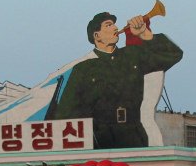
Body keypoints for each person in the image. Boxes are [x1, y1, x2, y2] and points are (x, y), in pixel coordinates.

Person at [46, 11, 183, 149]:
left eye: (115, 25)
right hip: (99, 139)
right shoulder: (83, 69)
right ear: (96, 35)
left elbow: (174, 54)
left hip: (133, 134)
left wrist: (145, 34)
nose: (116, 28)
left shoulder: (132, 55)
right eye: (108, 25)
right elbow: (65, 114)